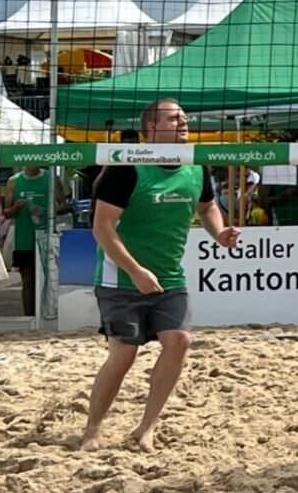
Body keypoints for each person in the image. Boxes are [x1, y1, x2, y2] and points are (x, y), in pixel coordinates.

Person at [80, 99, 240, 452]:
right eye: (173, 118)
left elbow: (207, 206)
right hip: (121, 277)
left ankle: (146, 429)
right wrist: (136, 271)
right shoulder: (126, 168)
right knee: (124, 356)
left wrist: (219, 233)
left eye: (184, 118)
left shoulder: (195, 164)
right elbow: (102, 228)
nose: (183, 122)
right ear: (151, 128)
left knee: (179, 341)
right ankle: (92, 429)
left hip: (168, 277)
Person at [0, 165, 69, 317]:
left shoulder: (51, 178)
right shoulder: (14, 181)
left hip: (47, 237)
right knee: (28, 281)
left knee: (49, 279)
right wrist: (16, 208)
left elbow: (64, 204)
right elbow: (6, 213)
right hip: (24, 238)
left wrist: (48, 211)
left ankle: (48, 315)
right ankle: (29, 317)